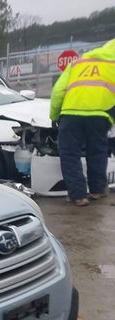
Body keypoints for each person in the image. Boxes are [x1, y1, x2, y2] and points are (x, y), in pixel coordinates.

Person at [50, 38, 115, 207]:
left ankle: (78, 196)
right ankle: (97, 190)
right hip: (100, 115)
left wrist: (54, 116)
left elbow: (58, 91)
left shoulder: (79, 62)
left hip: (71, 114)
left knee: (70, 154)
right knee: (98, 152)